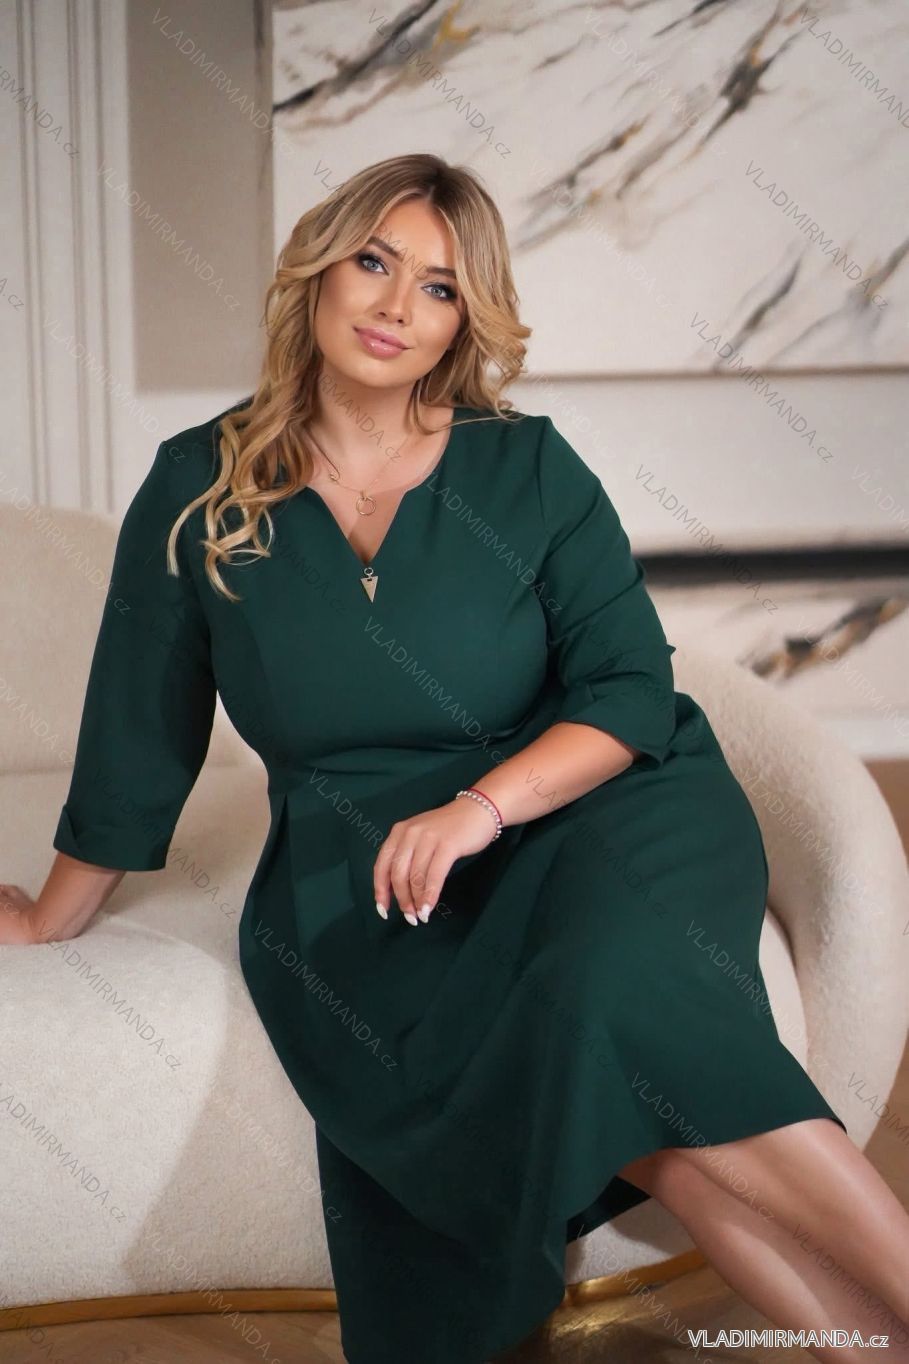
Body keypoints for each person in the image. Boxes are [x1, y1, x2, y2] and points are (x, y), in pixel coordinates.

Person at [4, 152, 908, 1364]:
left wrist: (481, 806)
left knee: (611, 986)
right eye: (374, 262)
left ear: (463, 320)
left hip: (600, 802)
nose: (396, 306)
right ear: (318, 271)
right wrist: (49, 914)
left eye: (437, 287)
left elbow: (631, 688)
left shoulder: (526, 467)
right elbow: (138, 732)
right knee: (659, 1111)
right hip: (371, 876)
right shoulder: (196, 485)